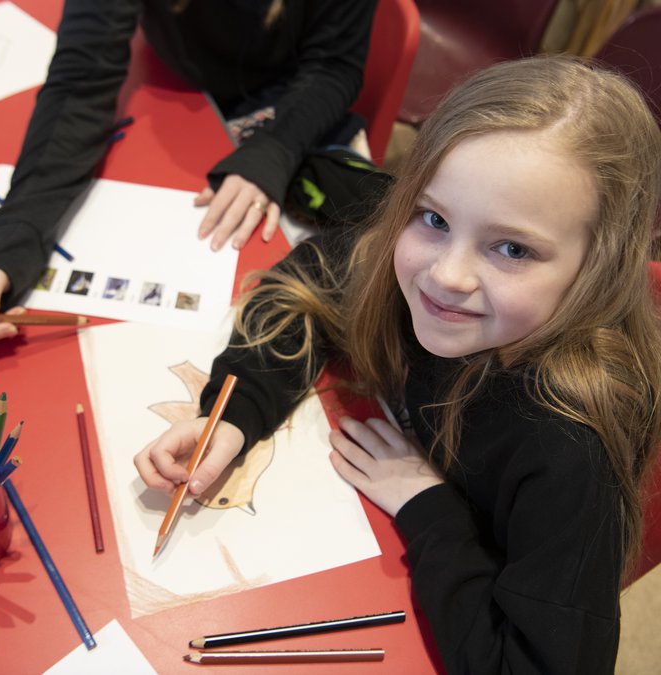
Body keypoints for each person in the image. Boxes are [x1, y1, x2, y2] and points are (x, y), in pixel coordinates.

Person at [134, 54, 661, 672]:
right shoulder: (418, 272)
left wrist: (426, 507)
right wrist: (235, 413)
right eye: (434, 218)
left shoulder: (570, 452)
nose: (446, 274)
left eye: (512, 248)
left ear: (598, 265)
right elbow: (309, 276)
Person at [0, 0, 378, 345]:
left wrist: (275, 147)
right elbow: (82, 80)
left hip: (295, 108)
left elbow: (334, 66)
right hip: (175, 93)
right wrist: (15, 233)